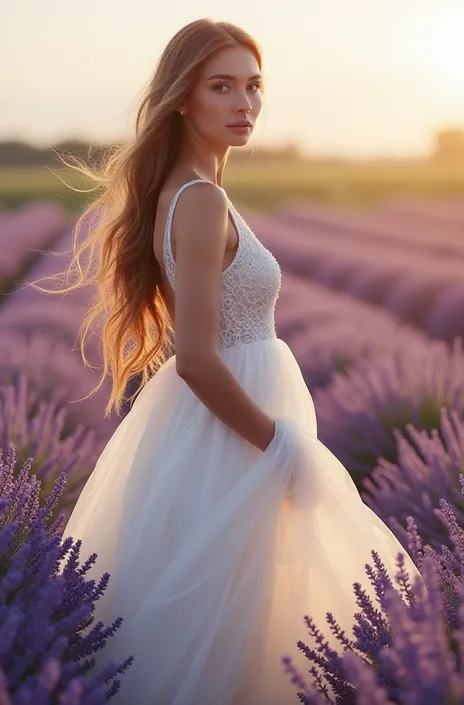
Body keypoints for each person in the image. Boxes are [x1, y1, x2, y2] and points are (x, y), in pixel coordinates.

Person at [40, 18, 423, 705]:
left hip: (221, 427)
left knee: (246, 613)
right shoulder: (200, 198)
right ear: (183, 99)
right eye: (223, 87)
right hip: (234, 429)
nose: (244, 103)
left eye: (253, 86)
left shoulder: (192, 191)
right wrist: (279, 444)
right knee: (237, 618)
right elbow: (194, 357)